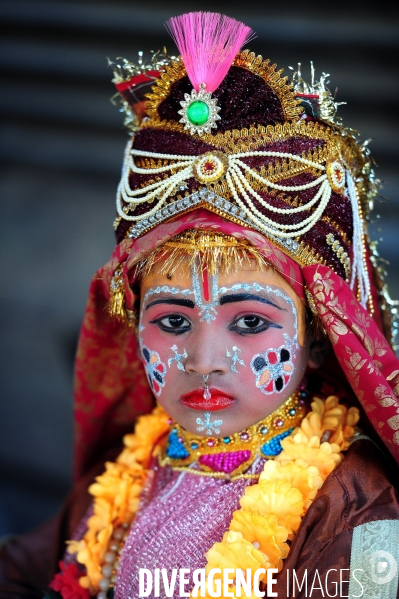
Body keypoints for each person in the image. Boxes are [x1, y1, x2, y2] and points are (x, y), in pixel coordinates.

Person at [1, 11, 399, 599]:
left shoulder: (367, 512)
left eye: (249, 321)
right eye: (172, 321)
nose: (203, 358)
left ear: (317, 334)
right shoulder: (135, 468)